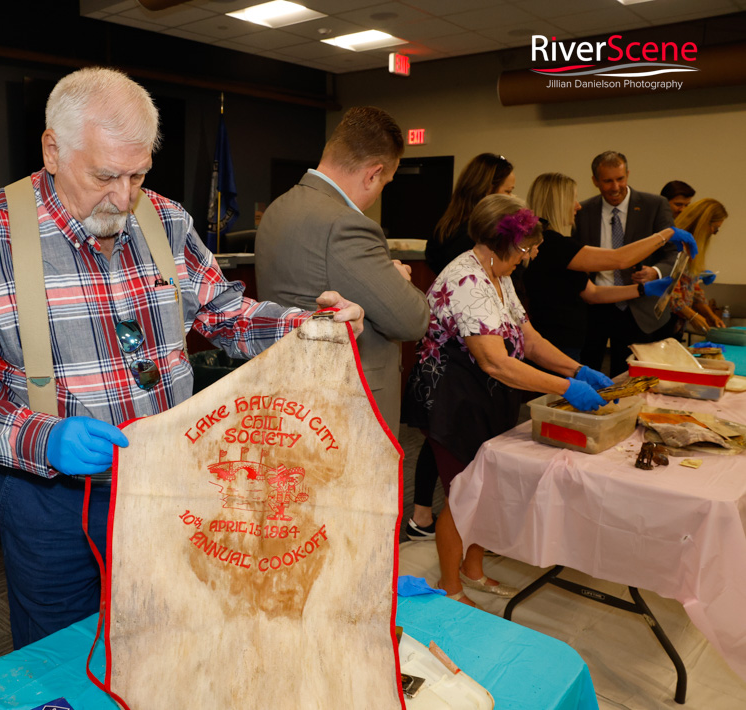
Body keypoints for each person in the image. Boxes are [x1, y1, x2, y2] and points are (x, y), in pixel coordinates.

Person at [0, 67, 365, 649]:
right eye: (105, 176)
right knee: (64, 652)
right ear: (52, 148)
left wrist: (311, 327)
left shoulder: (166, 220)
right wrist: (40, 438)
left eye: (138, 175)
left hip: (169, 484)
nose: (124, 198)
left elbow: (225, 313)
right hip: (53, 505)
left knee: (171, 631)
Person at [404, 194, 613, 607]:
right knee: (463, 492)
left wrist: (576, 369)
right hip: (451, 399)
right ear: (512, 245)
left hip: (483, 395)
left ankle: (473, 567)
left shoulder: (499, 276)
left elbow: (528, 340)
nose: (531, 256)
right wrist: (566, 389)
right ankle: (451, 587)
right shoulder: (466, 279)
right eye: (529, 248)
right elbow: (495, 362)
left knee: (489, 485)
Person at [255, 106, 429, 441]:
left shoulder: (277, 208)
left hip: (289, 395)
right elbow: (412, 320)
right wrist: (399, 281)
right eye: (385, 182)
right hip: (346, 409)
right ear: (372, 174)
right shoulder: (346, 225)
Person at [408, 152, 515, 540]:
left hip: (454, 368)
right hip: (455, 371)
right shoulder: (469, 256)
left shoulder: (447, 227)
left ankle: (423, 515)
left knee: (441, 448)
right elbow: (488, 350)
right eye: (507, 192)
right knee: (452, 458)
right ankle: (454, 549)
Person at [524, 173, 696, 359]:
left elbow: (593, 293)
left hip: (567, 343)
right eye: (573, 199)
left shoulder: (556, 243)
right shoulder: (553, 243)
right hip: (553, 343)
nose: (578, 206)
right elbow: (619, 259)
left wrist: (642, 290)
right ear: (558, 203)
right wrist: (666, 235)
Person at [574, 151, 677, 376]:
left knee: (632, 376)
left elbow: (673, 254)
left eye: (620, 179)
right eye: (607, 181)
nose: (615, 187)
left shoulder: (654, 205)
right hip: (595, 306)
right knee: (588, 370)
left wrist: (655, 272)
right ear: (595, 181)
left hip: (639, 307)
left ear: (628, 175)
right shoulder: (583, 211)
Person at [670, 199, 728, 334]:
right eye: (715, 228)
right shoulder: (675, 246)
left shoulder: (691, 249)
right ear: (703, 223)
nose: (714, 233)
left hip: (676, 324)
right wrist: (693, 316)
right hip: (662, 323)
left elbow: (693, 288)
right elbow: (669, 293)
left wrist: (710, 315)